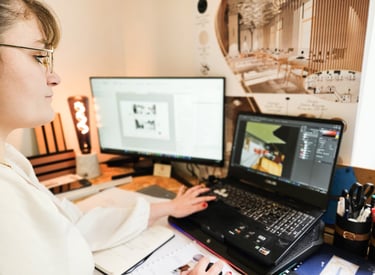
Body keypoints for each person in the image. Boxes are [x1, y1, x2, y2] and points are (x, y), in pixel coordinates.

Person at [0, 1, 225, 274]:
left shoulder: (10, 159)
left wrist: (168, 207)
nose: (54, 77)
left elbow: (73, 224)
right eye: (38, 56)